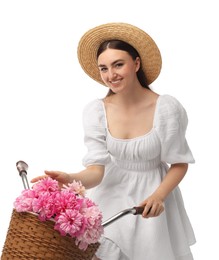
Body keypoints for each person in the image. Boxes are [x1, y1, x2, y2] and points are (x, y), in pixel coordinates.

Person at [31, 22, 196, 260]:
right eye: (104, 68)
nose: (111, 75)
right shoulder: (96, 110)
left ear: (136, 63)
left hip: (151, 197)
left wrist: (159, 196)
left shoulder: (166, 108)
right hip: (110, 192)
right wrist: (70, 179)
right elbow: (96, 171)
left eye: (118, 64)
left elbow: (179, 163)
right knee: (100, 252)